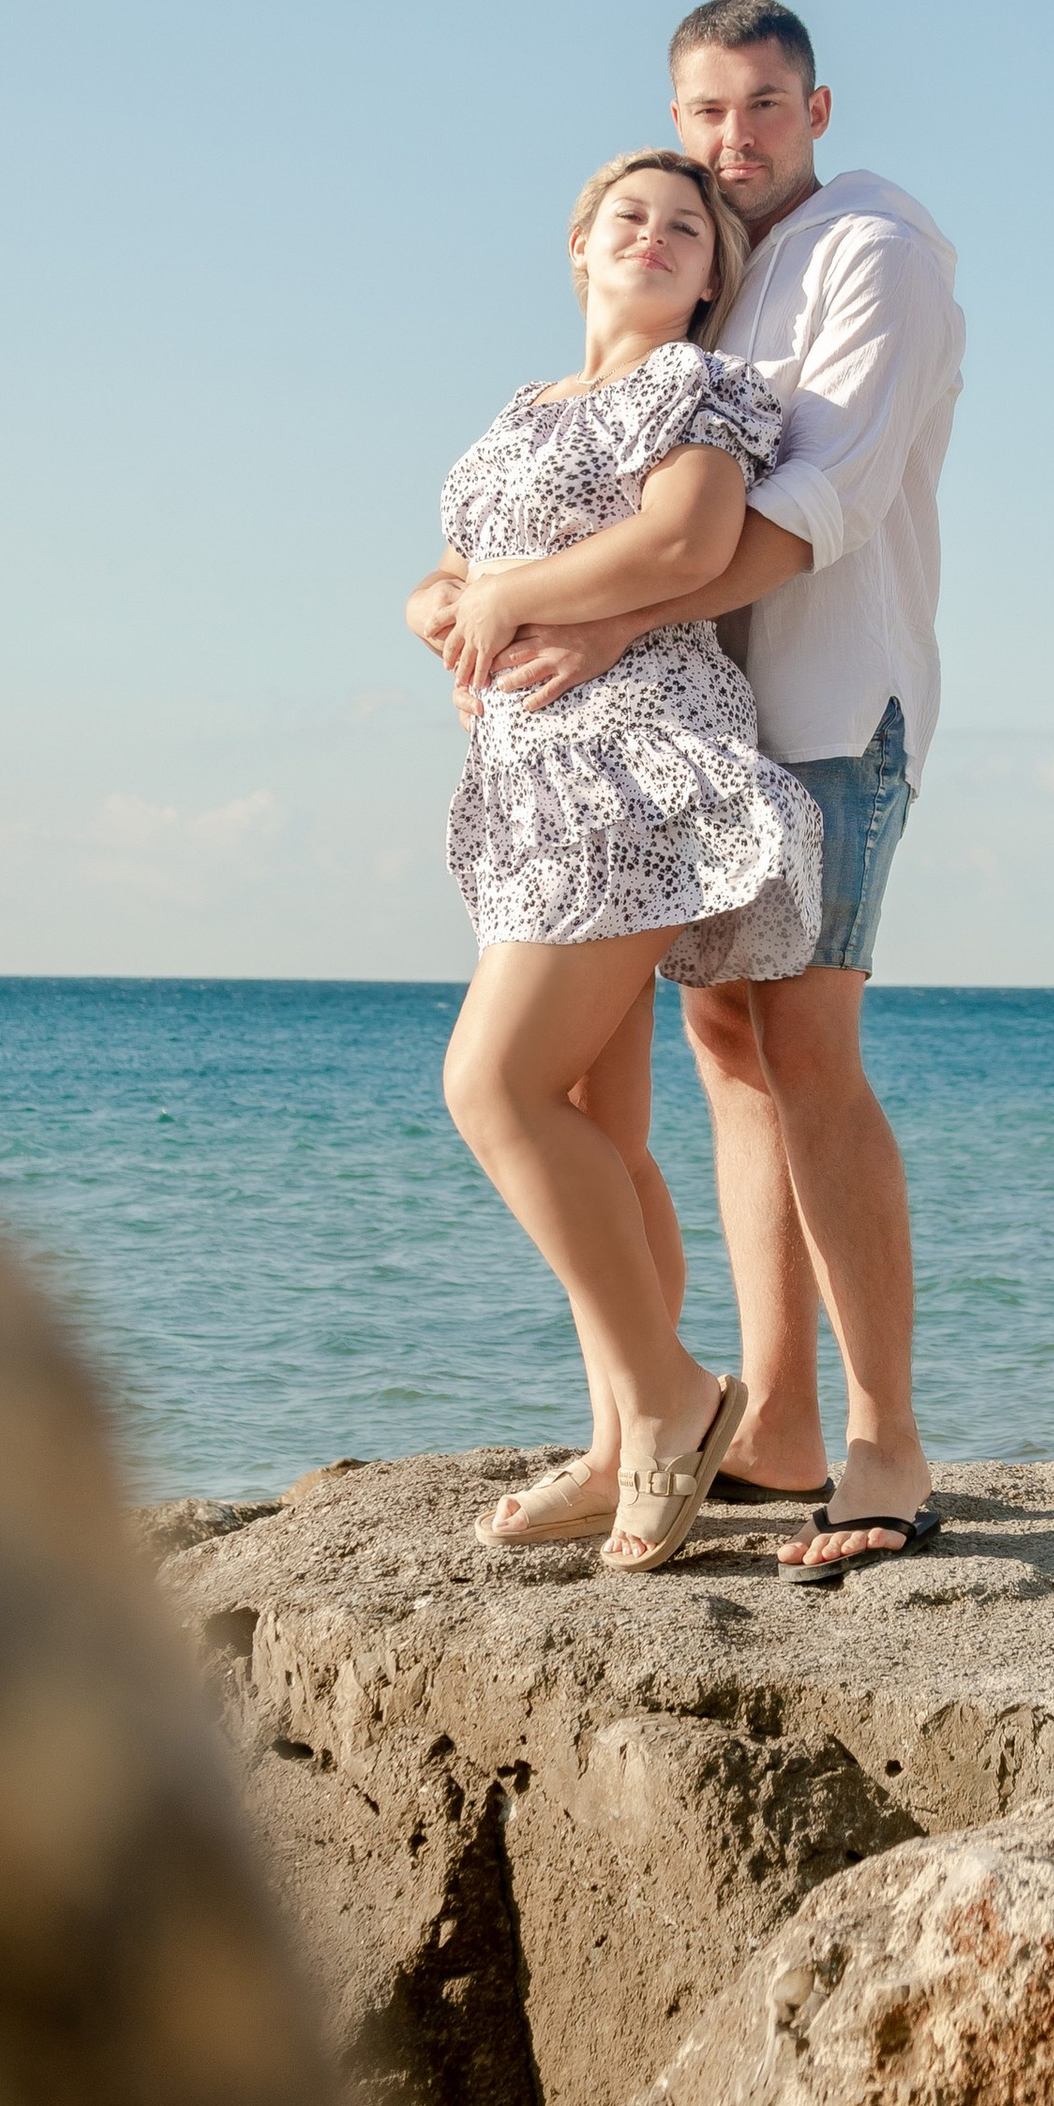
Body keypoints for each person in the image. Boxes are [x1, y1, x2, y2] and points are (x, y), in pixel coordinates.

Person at [481, 0, 964, 1578]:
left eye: (764, 106)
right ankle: (770, 1432)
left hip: (832, 702)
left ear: (818, 109)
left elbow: (825, 497)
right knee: (728, 1052)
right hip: (712, 727)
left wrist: (604, 611)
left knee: (810, 1047)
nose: (734, 138)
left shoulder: (872, 250)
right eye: (706, 112)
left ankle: (883, 1444)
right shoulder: (727, 279)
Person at [407, 148, 823, 1574]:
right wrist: (440, 605)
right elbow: (450, 569)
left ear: (715, 275)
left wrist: (509, 594)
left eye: (687, 226)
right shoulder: (527, 412)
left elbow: (686, 540)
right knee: (598, 1118)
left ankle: (671, 1396)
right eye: (626, 219)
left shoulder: (696, 392)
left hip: (632, 764)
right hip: (525, 777)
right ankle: (617, 1437)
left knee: (492, 1083)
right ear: (579, 248)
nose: (653, 237)